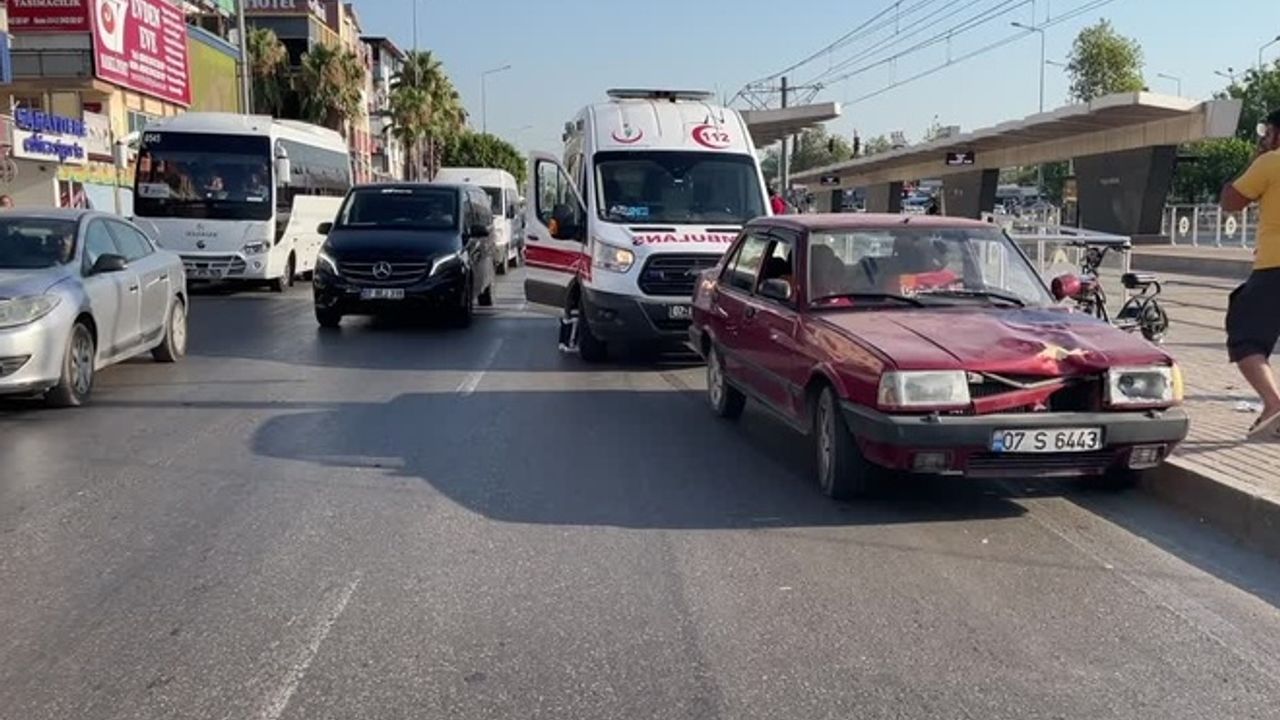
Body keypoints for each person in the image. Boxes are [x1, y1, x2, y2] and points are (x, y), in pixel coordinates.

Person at [1220, 107, 1280, 441]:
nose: (1264, 138)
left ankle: (1273, 405)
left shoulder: (1271, 162)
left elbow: (1231, 201)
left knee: (1245, 335)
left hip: (1275, 268)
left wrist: (1258, 157)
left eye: (1267, 132)